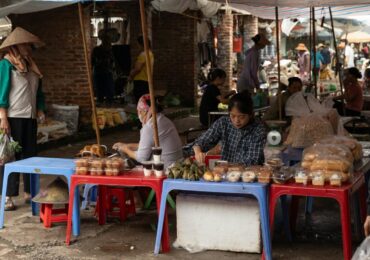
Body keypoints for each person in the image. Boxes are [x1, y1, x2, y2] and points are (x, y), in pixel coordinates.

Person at [0, 27, 46, 211]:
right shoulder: (5, 65)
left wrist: (41, 109)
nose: (29, 48)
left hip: (29, 117)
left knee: (30, 156)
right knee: (10, 158)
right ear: (16, 46)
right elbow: (1, 94)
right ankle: (8, 196)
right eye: (26, 45)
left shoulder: (31, 65)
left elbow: (38, 92)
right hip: (12, 117)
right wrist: (3, 118)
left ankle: (30, 191)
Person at [189, 91, 266, 166]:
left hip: (248, 174)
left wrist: (230, 167)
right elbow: (202, 140)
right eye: (233, 116)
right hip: (224, 173)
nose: (236, 121)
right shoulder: (223, 123)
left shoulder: (258, 129)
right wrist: (198, 151)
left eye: (241, 117)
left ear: (250, 115)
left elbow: (252, 161)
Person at [113, 94, 182, 168]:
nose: (139, 114)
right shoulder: (162, 119)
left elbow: (141, 157)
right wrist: (126, 145)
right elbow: (146, 146)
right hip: (177, 164)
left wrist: (125, 149)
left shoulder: (151, 125)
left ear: (144, 111)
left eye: (139, 111)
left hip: (166, 169)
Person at [91, 29, 116, 104]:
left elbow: (114, 61)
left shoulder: (112, 50)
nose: (107, 41)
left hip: (108, 72)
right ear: (102, 40)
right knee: (99, 90)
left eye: (108, 39)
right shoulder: (97, 49)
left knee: (110, 90)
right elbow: (92, 62)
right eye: (105, 39)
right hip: (99, 72)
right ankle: (100, 102)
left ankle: (109, 103)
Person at [129, 36, 154, 103]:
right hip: (146, 80)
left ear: (141, 45)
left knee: (140, 102)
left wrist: (131, 75)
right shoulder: (150, 53)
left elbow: (138, 68)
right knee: (145, 101)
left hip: (140, 80)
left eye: (137, 44)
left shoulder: (143, 55)